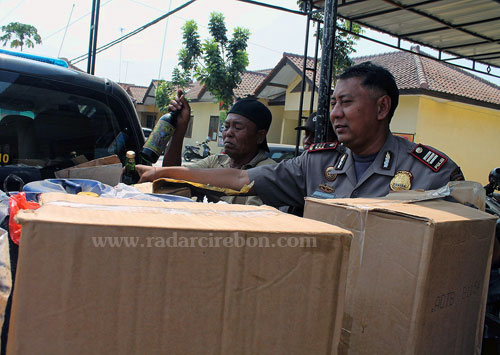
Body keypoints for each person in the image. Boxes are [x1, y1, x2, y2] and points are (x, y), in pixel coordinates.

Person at [136, 62, 464, 208]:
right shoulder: (316, 164)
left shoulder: (430, 173)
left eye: (346, 103)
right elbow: (239, 179)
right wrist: (163, 171)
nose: (335, 113)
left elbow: (481, 246)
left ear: (381, 108)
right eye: (333, 103)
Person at [154, 95, 276, 205]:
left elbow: (252, 220)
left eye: (238, 128)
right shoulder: (215, 162)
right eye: (226, 127)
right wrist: (180, 128)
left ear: (259, 136)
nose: (228, 133)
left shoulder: (268, 173)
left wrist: (212, 195)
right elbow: (171, 179)